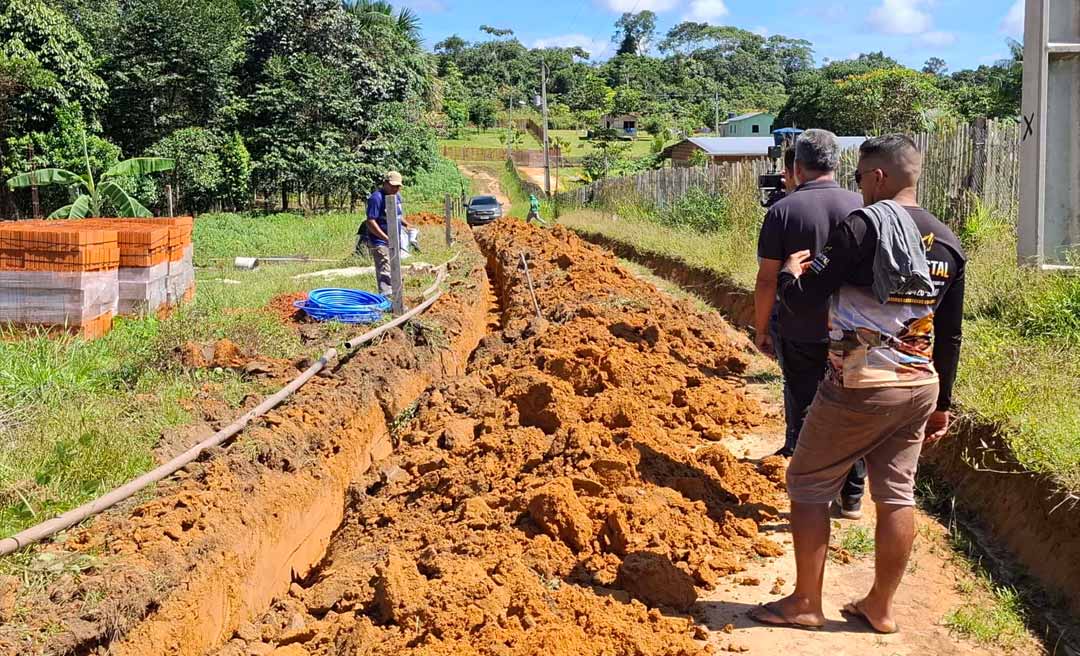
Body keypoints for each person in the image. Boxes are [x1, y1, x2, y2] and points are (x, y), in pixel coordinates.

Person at [750, 134, 966, 634]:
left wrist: (790, 272)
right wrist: (944, 404)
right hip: (920, 384)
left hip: (860, 381)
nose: (859, 187)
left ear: (878, 177)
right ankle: (880, 607)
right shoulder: (948, 239)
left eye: (861, 177)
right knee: (895, 493)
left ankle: (805, 602)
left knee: (806, 483)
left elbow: (804, 301)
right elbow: (951, 332)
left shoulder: (862, 228)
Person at [754, 129, 867, 519]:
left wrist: (762, 328)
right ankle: (852, 494)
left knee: (804, 404)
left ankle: (811, 495)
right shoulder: (863, 206)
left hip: (799, 326)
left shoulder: (782, 211)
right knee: (851, 405)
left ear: (796, 167)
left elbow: (768, 278)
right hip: (853, 330)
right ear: (837, 164)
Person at [359, 171, 411, 297]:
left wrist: (407, 225)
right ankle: (387, 299)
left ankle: (397, 295)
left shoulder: (397, 196)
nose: (395, 189)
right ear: (385, 183)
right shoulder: (376, 198)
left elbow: (398, 215)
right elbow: (370, 221)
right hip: (380, 242)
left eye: (398, 187)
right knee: (385, 270)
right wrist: (386, 238)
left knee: (395, 268)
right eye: (393, 186)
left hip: (394, 240)